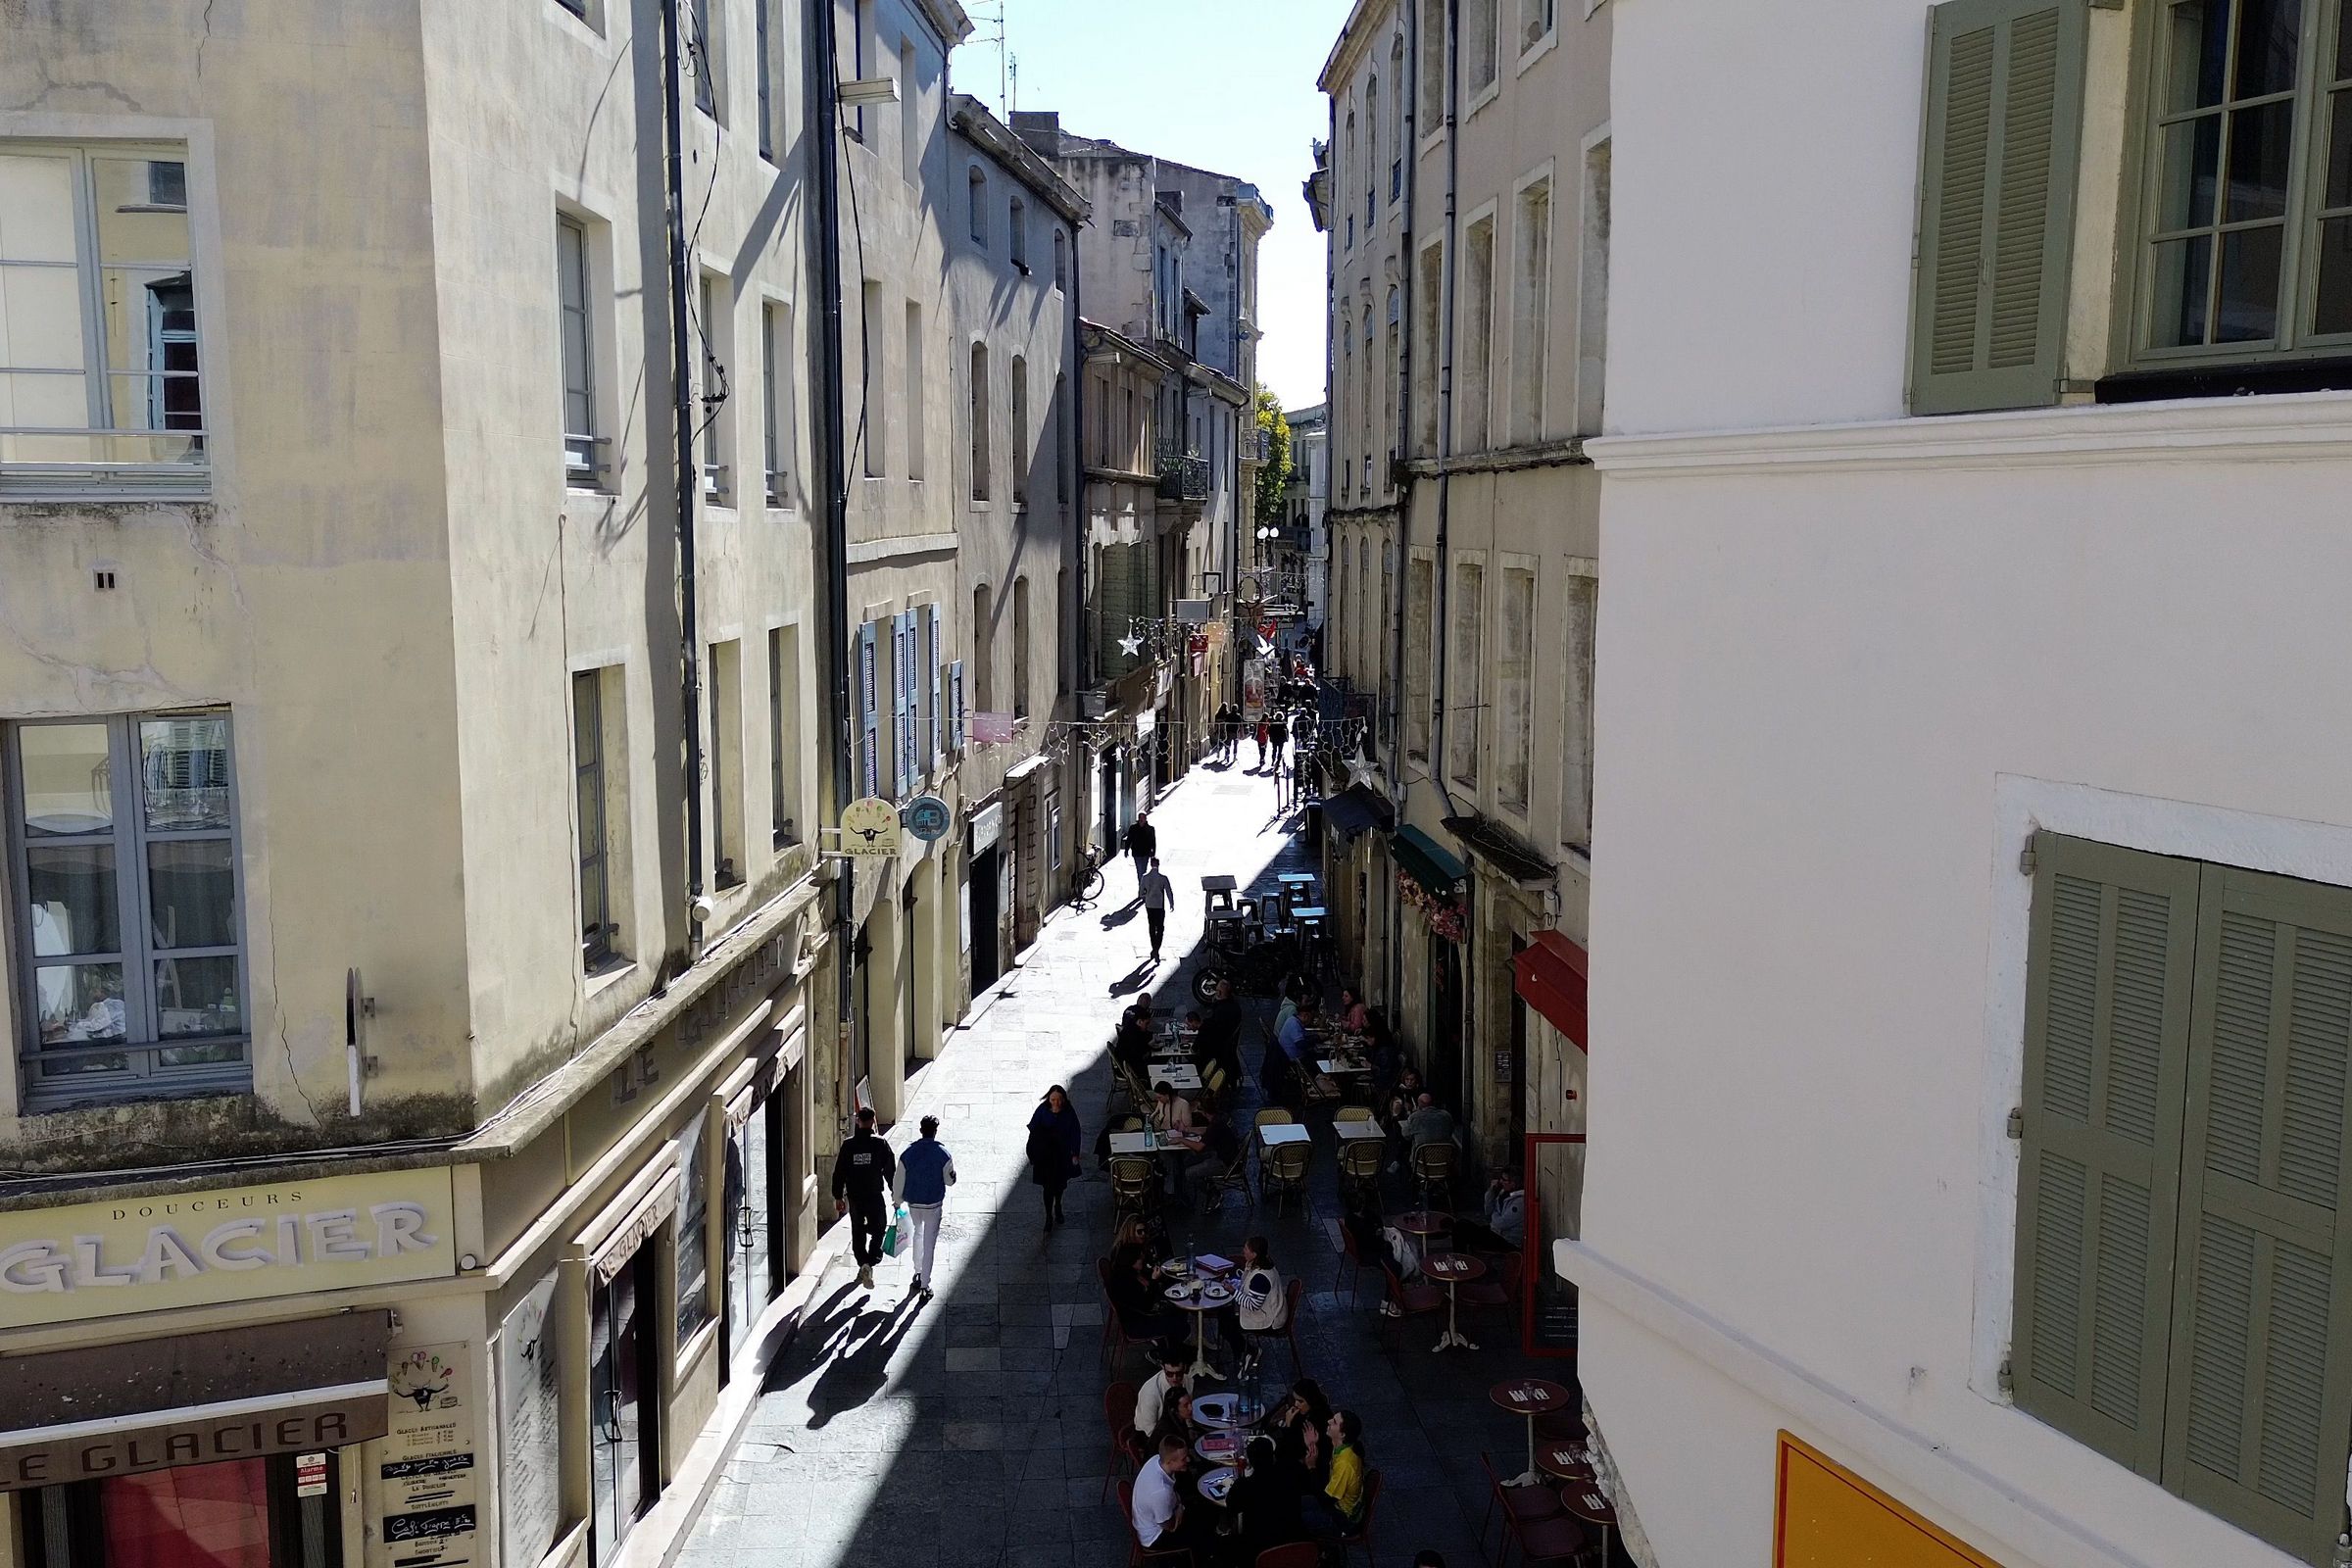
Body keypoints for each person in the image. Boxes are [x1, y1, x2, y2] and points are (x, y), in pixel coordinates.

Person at [828, 1105, 896, 1290]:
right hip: (874, 1194)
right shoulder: (880, 1143)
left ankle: (863, 1263)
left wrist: (838, 1196)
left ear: (858, 1121)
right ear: (873, 1121)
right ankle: (870, 1260)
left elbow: (839, 1172)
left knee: (858, 1229)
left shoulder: (848, 1145)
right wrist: (895, 1192)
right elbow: (890, 1170)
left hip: (855, 1196)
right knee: (879, 1227)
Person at [895, 1115, 956, 1299]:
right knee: (929, 1244)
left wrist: (897, 1200)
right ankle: (925, 1285)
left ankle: (917, 1272)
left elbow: (899, 1180)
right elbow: (949, 1181)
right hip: (933, 1205)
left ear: (921, 1130)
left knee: (918, 1236)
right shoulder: (943, 1154)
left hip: (914, 1203)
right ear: (935, 1132)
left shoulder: (908, 1153)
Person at [1229, 1434, 1308, 1561]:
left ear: (1250, 1461)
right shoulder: (1290, 1477)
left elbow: (1232, 1508)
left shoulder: (1244, 1486)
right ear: (1273, 1457)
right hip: (1293, 1546)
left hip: (1259, 1551)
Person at [1131, 1433, 1205, 1556]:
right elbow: (1170, 1526)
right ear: (1170, 1462)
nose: (1188, 1460)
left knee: (1200, 1511)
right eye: (1183, 1459)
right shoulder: (1160, 1491)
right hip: (1155, 1537)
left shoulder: (1155, 1460)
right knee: (1203, 1529)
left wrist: (1179, 1504)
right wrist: (1180, 1509)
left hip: (1154, 1519)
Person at [1302, 1410, 1369, 1543]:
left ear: (1342, 1434)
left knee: (1295, 1518)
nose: (1328, 1422)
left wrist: (1311, 1467)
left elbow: (1326, 1500)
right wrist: (1312, 1444)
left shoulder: (1345, 1463)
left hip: (1341, 1519)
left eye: (1334, 1422)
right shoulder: (1341, 1447)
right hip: (1333, 1506)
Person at [1026, 1085, 1082, 1229]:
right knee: (1047, 1187)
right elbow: (1033, 1132)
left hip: (1062, 1156)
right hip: (1045, 1157)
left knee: (1060, 1185)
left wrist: (1075, 1153)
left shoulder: (1068, 1112)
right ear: (1049, 1099)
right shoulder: (1042, 1110)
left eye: (1059, 1099)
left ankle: (1058, 1205)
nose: (1056, 1103)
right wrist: (1032, 1153)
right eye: (1053, 1100)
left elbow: (1075, 1132)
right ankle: (1048, 1216)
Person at [1133, 1345, 1194, 1439]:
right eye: (1169, 1374)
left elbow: (1188, 1413)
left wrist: (1190, 1429)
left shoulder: (1188, 1381)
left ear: (1185, 1368)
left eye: (1179, 1373)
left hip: (1177, 1427)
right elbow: (1150, 1431)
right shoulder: (1150, 1393)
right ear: (1163, 1367)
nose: (1175, 1378)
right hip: (1149, 1436)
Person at [1138, 856, 1174, 961]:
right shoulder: (1163, 878)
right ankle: (1156, 949)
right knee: (1160, 928)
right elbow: (1169, 891)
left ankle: (1154, 948)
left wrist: (1147, 895)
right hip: (1159, 905)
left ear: (1150, 864)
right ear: (1158, 864)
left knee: (1152, 927)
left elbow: (1140, 893)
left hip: (1149, 905)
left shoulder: (1145, 877)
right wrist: (1171, 903)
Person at [1402, 1092, 1456, 1157]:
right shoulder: (1446, 1115)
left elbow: (1406, 1135)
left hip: (1423, 1158)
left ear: (1419, 1105)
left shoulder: (1414, 1117)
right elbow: (1451, 1130)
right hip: (1444, 1157)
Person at [1124, 810, 1157, 888]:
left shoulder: (1150, 829)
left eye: (1143, 818)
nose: (1141, 820)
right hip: (1137, 853)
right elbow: (1129, 840)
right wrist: (1126, 850)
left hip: (1146, 853)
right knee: (1139, 870)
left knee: (1144, 870)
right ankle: (1141, 886)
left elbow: (1153, 841)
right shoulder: (1133, 828)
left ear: (1146, 819)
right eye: (1140, 818)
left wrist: (1153, 853)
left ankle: (1142, 886)